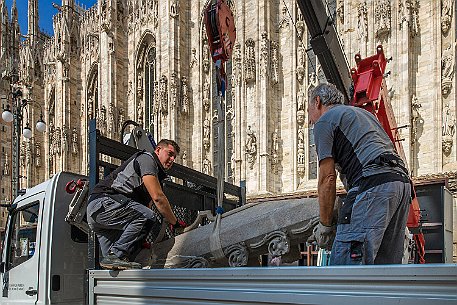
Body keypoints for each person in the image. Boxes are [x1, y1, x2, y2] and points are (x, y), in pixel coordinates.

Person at [308, 83, 412, 265]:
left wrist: (324, 226)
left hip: (373, 183)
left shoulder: (324, 121)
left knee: (348, 270)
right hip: (401, 184)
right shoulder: (364, 115)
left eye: (308, 111)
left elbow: (327, 179)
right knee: (385, 269)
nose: (310, 120)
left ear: (317, 102)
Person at [87, 139, 187, 270]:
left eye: (174, 157)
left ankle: (114, 262)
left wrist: (140, 240)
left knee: (114, 264)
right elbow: (158, 198)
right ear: (158, 150)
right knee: (148, 216)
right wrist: (175, 222)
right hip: (105, 203)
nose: (172, 159)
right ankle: (116, 255)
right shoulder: (147, 159)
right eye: (170, 154)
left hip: (99, 214)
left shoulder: (155, 174)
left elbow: (145, 206)